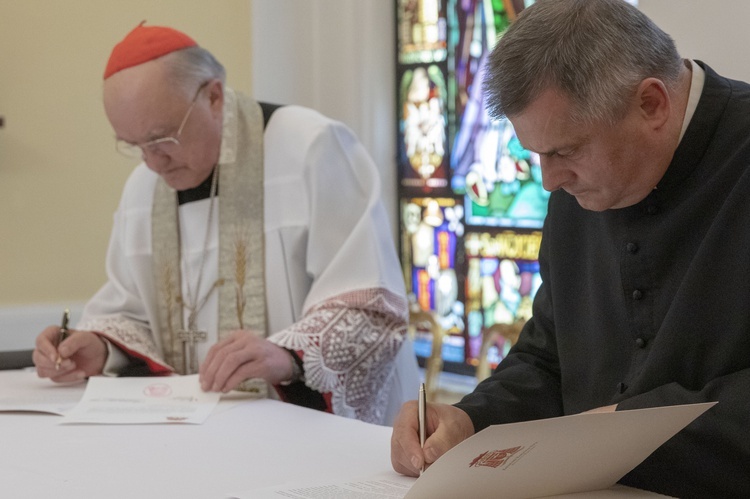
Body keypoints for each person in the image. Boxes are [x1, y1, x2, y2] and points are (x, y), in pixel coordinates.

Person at [391, 0, 750, 496]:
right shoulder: (576, 185)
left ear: (652, 104)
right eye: (537, 154)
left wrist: (625, 427)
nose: (549, 180)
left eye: (564, 151)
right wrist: (469, 421)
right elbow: (549, 356)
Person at [33, 22, 419, 426]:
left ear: (214, 95)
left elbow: (370, 307)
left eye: (162, 138)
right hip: (197, 431)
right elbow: (129, 311)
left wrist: (286, 356)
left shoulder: (311, 148)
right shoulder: (143, 189)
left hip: (304, 430)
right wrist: (98, 345)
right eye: (134, 146)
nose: (151, 162)